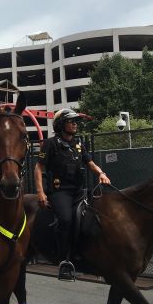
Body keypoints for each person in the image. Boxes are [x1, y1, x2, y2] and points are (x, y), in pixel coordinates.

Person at [34, 108, 111, 281]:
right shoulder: (50, 144)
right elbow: (38, 167)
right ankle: (64, 261)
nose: (75, 124)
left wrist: (101, 173)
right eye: (72, 121)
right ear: (61, 125)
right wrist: (40, 192)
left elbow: (90, 163)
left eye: (76, 121)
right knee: (66, 220)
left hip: (79, 191)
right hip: (60, 192)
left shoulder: (78, 144)